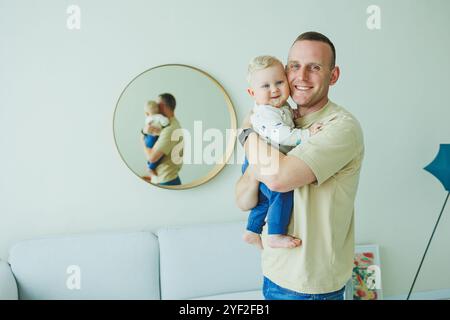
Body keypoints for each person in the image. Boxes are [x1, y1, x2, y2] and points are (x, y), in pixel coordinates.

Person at [235, 31, 364, 300]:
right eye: (294, 66)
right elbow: (243, 199)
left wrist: (245, 133)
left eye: (314, 67)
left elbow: (278, 179)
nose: (301, 77)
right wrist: (253, 173)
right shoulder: (280, 120)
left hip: (310, 286)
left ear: (334, 75)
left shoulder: (340, 127)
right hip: (273, 272)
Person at [242, 55, 322, 250]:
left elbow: (284, 118)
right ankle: (275, 234)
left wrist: (292, 114)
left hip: (260, 159)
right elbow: (282, 134)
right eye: (265, 86)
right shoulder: (265, 112)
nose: (274, 89)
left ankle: (252, 231)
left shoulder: (278, 106)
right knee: (281, 192)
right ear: (252, 92)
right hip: (263, 162)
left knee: (264, 200)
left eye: (279, 82)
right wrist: (306, 134)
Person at [142, 93, 184, 186]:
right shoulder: (168, 125)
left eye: (157, 105)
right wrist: (144, 132)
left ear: (162, 106)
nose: (154, 107)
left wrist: (142, 142)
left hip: (166, 182)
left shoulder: (170, 129)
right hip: (165, 179)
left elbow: (152, 158)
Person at [141, 100, 170, 176]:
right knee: (159, 155)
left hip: (147, 138)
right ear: (158, 109)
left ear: (146, 113)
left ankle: (148, 164)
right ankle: (151, 167)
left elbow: (145, 130)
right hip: (154, 138)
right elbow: (166, 123)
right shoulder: (159, 117)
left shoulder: (147, 119)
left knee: (150, 153)